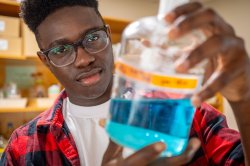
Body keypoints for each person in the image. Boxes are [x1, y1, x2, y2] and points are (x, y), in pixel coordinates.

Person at [1, 0, 250, 165]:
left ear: (109, 36)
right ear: (45, 60)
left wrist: (244, 98)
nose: (85, 59)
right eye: (60, 50)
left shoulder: (187, 115)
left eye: (93, 37)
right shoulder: (23, 148)